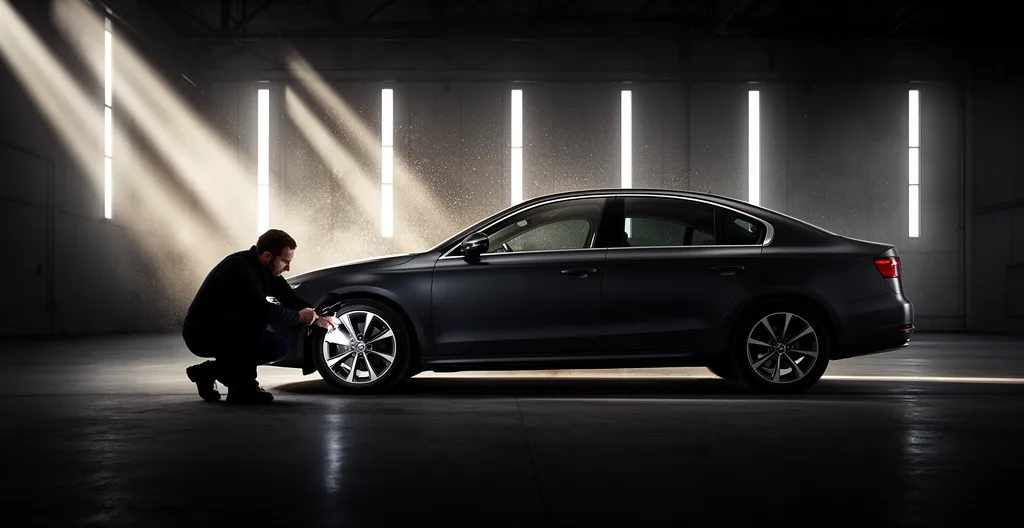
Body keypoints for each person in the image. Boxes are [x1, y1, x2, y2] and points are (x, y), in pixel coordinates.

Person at [181, 229, 336, 403]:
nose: (288, 268)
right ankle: (242, 389)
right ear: (267, 256)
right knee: (254, 322)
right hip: (202, 334)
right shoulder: (239, 269)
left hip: (227, 329)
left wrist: (318, 316)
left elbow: (289, 297)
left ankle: (208, 372)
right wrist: (299, 317)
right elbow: (262, 311)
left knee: (277, 346)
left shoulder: (267, 270)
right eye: (285, 261)